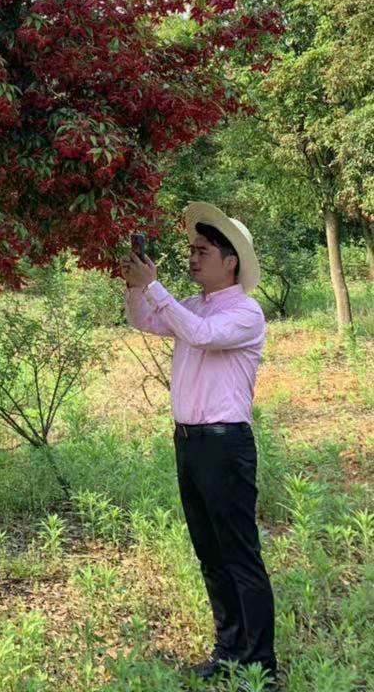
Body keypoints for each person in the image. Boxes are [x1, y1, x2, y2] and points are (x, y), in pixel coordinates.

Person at [119, 202, 278, 688]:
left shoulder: (245, 313)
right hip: (189, 442)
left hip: (225, 444)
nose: (192, 259)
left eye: (203, 251)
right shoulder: (193, 306)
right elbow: (144, 321)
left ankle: (260, 664)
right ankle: (229, 649)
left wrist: (155, 288)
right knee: (209, 552)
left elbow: (204, 337)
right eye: (190, 250)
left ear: (231, 261)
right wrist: (134, 285)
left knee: (239, 553)